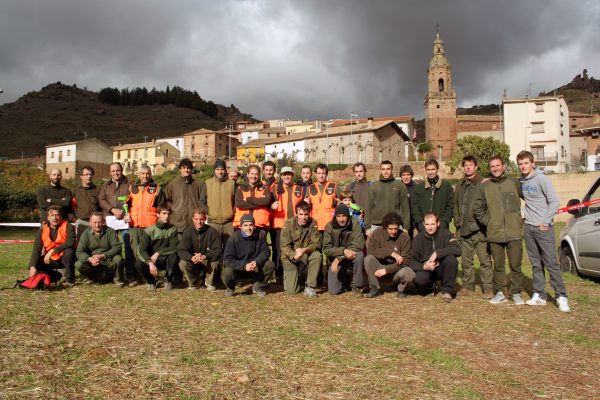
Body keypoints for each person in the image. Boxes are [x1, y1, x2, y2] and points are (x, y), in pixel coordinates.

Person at [517, 150, 570, 312]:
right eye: (520, 164)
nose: (523, 166)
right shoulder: (522, 182)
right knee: (536, 264)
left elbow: (554, 201)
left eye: (526, 163)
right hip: (529, 228)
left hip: (543, 228)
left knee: (551, 263)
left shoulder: (541, 178)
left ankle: (561, 296)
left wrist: (546, 222)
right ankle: (539, 295)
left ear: (532, 163)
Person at [473, 156, 525, 305]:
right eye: (492, 166)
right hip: (495, 233)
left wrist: (523, 217)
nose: (495, 169)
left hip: (514, 231)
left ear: (504, 166)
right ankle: (500, 292)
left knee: (515, 265)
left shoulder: (514, 183)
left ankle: (515, 293)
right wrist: (488, 222)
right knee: (498, 265)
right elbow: (477, 208)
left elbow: (531, 197)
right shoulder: (485, 186)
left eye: (497, 165)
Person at [453, 156, 493, 298]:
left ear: (476, 167)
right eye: (466, 165)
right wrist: (457, 221)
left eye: (471, 165)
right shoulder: (460, 185)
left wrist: (484, 222)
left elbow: (489, 206)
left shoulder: (484, 184)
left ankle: (488, 288)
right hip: (464, 229)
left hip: (480, 231)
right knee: (466, 261)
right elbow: (455, 205)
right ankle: (468, 286)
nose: (468, 167)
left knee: (484, 260)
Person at [408, 212, 460, 302]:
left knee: (451, 259)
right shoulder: (418, 239)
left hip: (442, 268)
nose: (430, 227)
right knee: (418, 278)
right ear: (424, 224)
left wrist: (437, 253)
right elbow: (411, 261)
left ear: (438, 223)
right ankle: (430, 288)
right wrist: (424, 266)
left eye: (432, 224)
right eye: (427, 224)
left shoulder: (446, 234)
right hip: (427, 270)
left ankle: (447, 291)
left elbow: (457, 249)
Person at [98, 162, 135, 286]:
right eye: (113, 171)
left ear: (122, 170)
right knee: (110, 247)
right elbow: (101, 200)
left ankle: (130, 274)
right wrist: (112, 209)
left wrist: (128, 213)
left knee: (128, 247)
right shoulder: (105, 185)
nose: (115, 173)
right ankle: (113, 274)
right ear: (110, 172)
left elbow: (134, 199)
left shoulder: (130, 183)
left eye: (117, 170)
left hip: (125, 220)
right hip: (109, 219)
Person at [222, 214, 275, 297]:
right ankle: (231, 288)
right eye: (245, 225)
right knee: (226, 272)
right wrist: (244, 266)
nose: (248, 228)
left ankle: (259, 286)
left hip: (255, 267)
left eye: (251, 225)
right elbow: (227, 259)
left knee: (270, 265)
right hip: (239, 269)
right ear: (241, 227)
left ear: (254, 226)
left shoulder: (261, 234)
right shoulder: (233, 238)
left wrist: (256, 262)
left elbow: (266, 251)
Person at [364, 212, 412, 298]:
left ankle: (401, 289)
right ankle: (375, 287)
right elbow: (371, 251)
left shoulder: (405, 237)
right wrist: (391, 253)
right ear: (385, 227)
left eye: (396, 229)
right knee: (368, 259)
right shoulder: (377, 233)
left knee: (409, 273)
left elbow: (406, 260)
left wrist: (386, 270)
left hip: (396, 271)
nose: (394, 231)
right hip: (379, 269)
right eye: (391, 229)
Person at [279, 201, 322, 297]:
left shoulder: (313, 223)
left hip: (305, 253)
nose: (304, 217)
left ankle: (310, 286)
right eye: (301, 214)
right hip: (290, 257)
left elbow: (317, 243)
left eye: (306, 214)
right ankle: (300, 280)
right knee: (291, 291)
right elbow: (284, 246)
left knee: (317, 256)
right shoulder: (288, 224)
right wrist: (294, 255)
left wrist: (304, 250)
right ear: (296, 213)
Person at [270, 166, 306, 280]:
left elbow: (304, 206)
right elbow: (268, 204)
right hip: (280, 225)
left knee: (296, 249)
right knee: (279, 251)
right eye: (284, 174)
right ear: (281, 176)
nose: (286, 176)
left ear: (293, 175)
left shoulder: (299, 189)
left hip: (295, 225)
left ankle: (297, 274)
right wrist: (271, 206)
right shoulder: (275, 188)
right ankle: (279, 275)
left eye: (289, 174)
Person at [322, 204, 365, 295]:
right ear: (335, 216)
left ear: (348, 216)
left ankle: (357, 286)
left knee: (360, 255)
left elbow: (359, 243)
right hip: (335, 259)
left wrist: (340, 257)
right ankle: (346, 278)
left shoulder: (355, 222)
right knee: (334, 291)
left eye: (344, 216)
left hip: (351, 256)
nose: (341, 219)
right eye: (338, 216)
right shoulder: (329, 226)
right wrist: (343, 251)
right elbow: (326, 249)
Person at [28, 205, 76, 286]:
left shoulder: (69, 226)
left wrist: (53, 250)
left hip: (65, 257)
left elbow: (71, 242)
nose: (55, 218)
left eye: (57, 215)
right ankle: (55, 277)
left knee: (69, 252)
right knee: (36, 262)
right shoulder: (42, 230)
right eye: (52, 215)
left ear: (61, 216)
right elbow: (36, 249)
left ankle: (69, 280)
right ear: (48, 217)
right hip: (51, 259)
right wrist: (32, 266)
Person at [135, 204, 179, 292]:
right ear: (158, 215)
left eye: (168, 214)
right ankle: (151, 282)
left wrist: (158, 253)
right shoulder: (149, 231)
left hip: (165, 259)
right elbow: (141, 250)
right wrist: (150, 262)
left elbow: (174, 247)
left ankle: (168, 280)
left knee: (174, 257)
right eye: (164, 213)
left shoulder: (173, 229)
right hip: (152, 260)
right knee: (138, 264)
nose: (167, 216)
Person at [177, 208, 222, 290]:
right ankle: (193, 283)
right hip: (193, 260)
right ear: (193, 219)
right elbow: (181, 250)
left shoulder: (212, 232)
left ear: (205, 219)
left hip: (206, 260)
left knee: (216, 263)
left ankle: (209, 282)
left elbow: (218, 250)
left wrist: (205, 256)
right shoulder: (187, 232)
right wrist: (190, 257)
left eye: (201, 219)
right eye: (196, 219)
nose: (199, 222)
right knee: (183, 263)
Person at [75, 212, 124, 285]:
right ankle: (91, 278)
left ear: (104, 222)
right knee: (78, 264)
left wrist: (103, 255)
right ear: (90, 223)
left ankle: (117, 279)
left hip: (107, 260)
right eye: (94, 222)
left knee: (118, 258)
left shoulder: (110, 231)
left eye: (99, 222)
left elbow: (117, 247)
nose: (97, 225)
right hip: (93, 262)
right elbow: (79, 252)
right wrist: (89, 259)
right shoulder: (85, 233)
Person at [364, 160, 410, 237]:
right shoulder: (373, 187)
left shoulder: (400, 186)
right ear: (380, 170)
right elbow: (368, 208)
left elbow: (405, 208)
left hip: (396, 226)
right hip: (376, 226)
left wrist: (406, 227)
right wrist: (367, 227)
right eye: (383, 169)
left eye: (388, 169)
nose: (386, 171)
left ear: (392, 170)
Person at [164, 158, 207, 238]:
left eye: (188, 168)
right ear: (180, 169)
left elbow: (203, 202)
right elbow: (166, 201)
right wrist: (173, 211)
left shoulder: (199, 184)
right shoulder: (172, 184)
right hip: (178, 224)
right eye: (184, 168)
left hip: (194, 224)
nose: (186, 170)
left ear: (191, 169)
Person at [412, 159, 454, 231]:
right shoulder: (419, 188)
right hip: (424, 229)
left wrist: (444, 222)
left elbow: (451, 206)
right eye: (428, 170)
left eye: (433, 169)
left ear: (437, 169)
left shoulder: (446, 186)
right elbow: (415, 208)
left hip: (442, 229)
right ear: (425, 170)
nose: (430, 172)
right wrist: (420, 223)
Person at [203, 159, 236, 247]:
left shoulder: (232, 184)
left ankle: (226, 261)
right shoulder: (207, 183)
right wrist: (208, 212)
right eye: (217, 169)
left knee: (229, 248)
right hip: (213, 223)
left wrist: (232, 212)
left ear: (225, 170)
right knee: (213, 248)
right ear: (214, 170)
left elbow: (236, 201)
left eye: (222, 169)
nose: (220, 172)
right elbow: (202, 201)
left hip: (228, 223)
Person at [233, 164, 272, 229]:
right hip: (242, 225)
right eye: (252, 173)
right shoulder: (240, 188)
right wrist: (260, 203)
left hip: (260, 225)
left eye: (256, 174)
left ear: (259, 175)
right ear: (247, 174)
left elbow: (266, 201)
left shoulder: (265, 188)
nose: (254, 176)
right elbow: (239, 204)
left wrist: (248, 199)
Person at [306, 163, 339, 232]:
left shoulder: (334, 186)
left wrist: (339, 202)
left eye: (323, 173)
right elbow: (305, 207)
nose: (321, 176)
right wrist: (306, 203)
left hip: (330, 225)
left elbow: (345, 199)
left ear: (327, 174)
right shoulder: (310, 188)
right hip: (314, 225)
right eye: (319, 173)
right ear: (315, 174)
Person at [72, 166, 101, 239]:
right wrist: (74, 219)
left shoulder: (98, 190)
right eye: (86, 174)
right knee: (80, 246)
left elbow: (102, 206)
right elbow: (70, 207)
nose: (89, 176)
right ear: (81, 176)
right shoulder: (75, 191)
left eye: (91, 174)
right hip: (81, 222)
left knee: (96, 247)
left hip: (96, 224)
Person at [399, 164, 417, 238]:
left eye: (408, 175)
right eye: (403, 175)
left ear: (411, 175)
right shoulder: (397, 188)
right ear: (401, 176)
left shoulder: (417, 188)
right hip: (401, 223)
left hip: (415, 224)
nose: (406, 177)